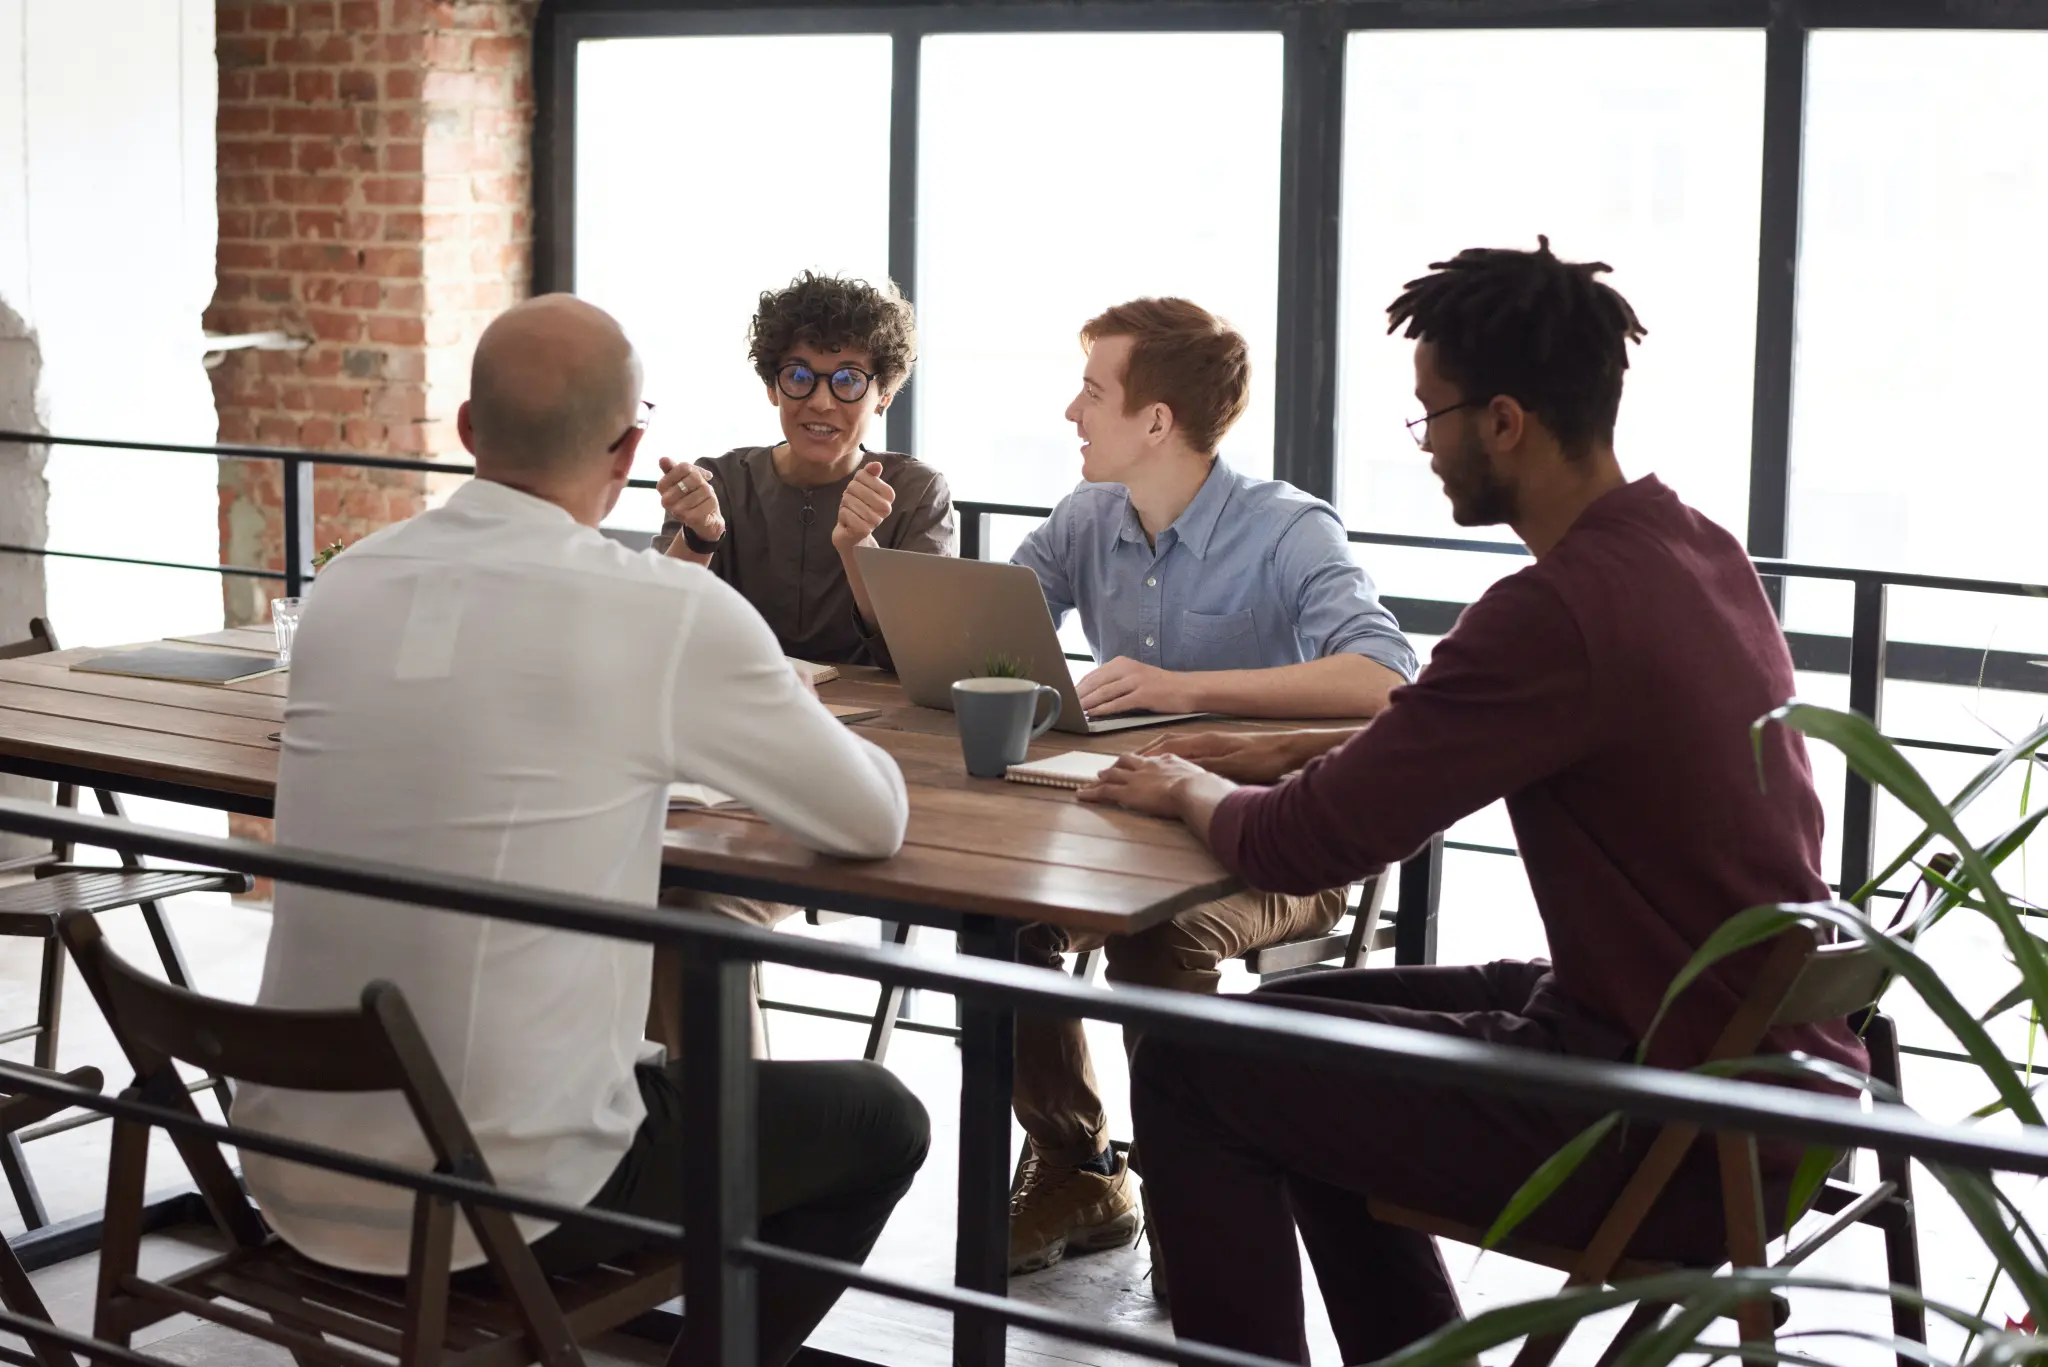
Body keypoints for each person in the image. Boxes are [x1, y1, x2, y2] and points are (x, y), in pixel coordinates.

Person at [1078, 240, 1869, 1364]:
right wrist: (1244, 746)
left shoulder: (1553, 610)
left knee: (1193, 1063)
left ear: (1502, 421)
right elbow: (1430, 734)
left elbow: (1309, 842)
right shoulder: (1688, 546)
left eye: (1429, 417)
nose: (1426, 447)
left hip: (1670, 1125)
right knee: (1286, 1033)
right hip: (1751, 1069)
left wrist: (1187, 783)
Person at [232, 295, 930, 1367]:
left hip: (284, 1161)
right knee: (879, 1118)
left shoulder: (349, 584)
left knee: (639, 1031)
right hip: (501, 1190)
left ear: (467, 432)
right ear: (630, 448)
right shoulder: (660, 609)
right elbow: (870, 816)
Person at [1003, 297, 1418, 1281]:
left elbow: (1384, 679)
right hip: (1128, 828)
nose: (1071, 410)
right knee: (1003, 917)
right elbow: (992, 628)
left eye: (1092, 392)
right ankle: (1078, 1165)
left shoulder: (1285, 530)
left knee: (1162, 936)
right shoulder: (1086, 518)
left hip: (1276, 847)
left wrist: (1187, 688)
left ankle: (1199, 1199)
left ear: (1155, 421)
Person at [652, 270, 954, 668]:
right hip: (737, 710)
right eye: (798, 376)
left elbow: (922, 655)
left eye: (848, 380)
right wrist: (699, 538)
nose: (821, 403)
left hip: (875, 723)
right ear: (772, 387)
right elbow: (655, 629)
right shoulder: (719, 483)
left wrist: (857, 546)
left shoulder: (917, 492)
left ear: (885, 395)